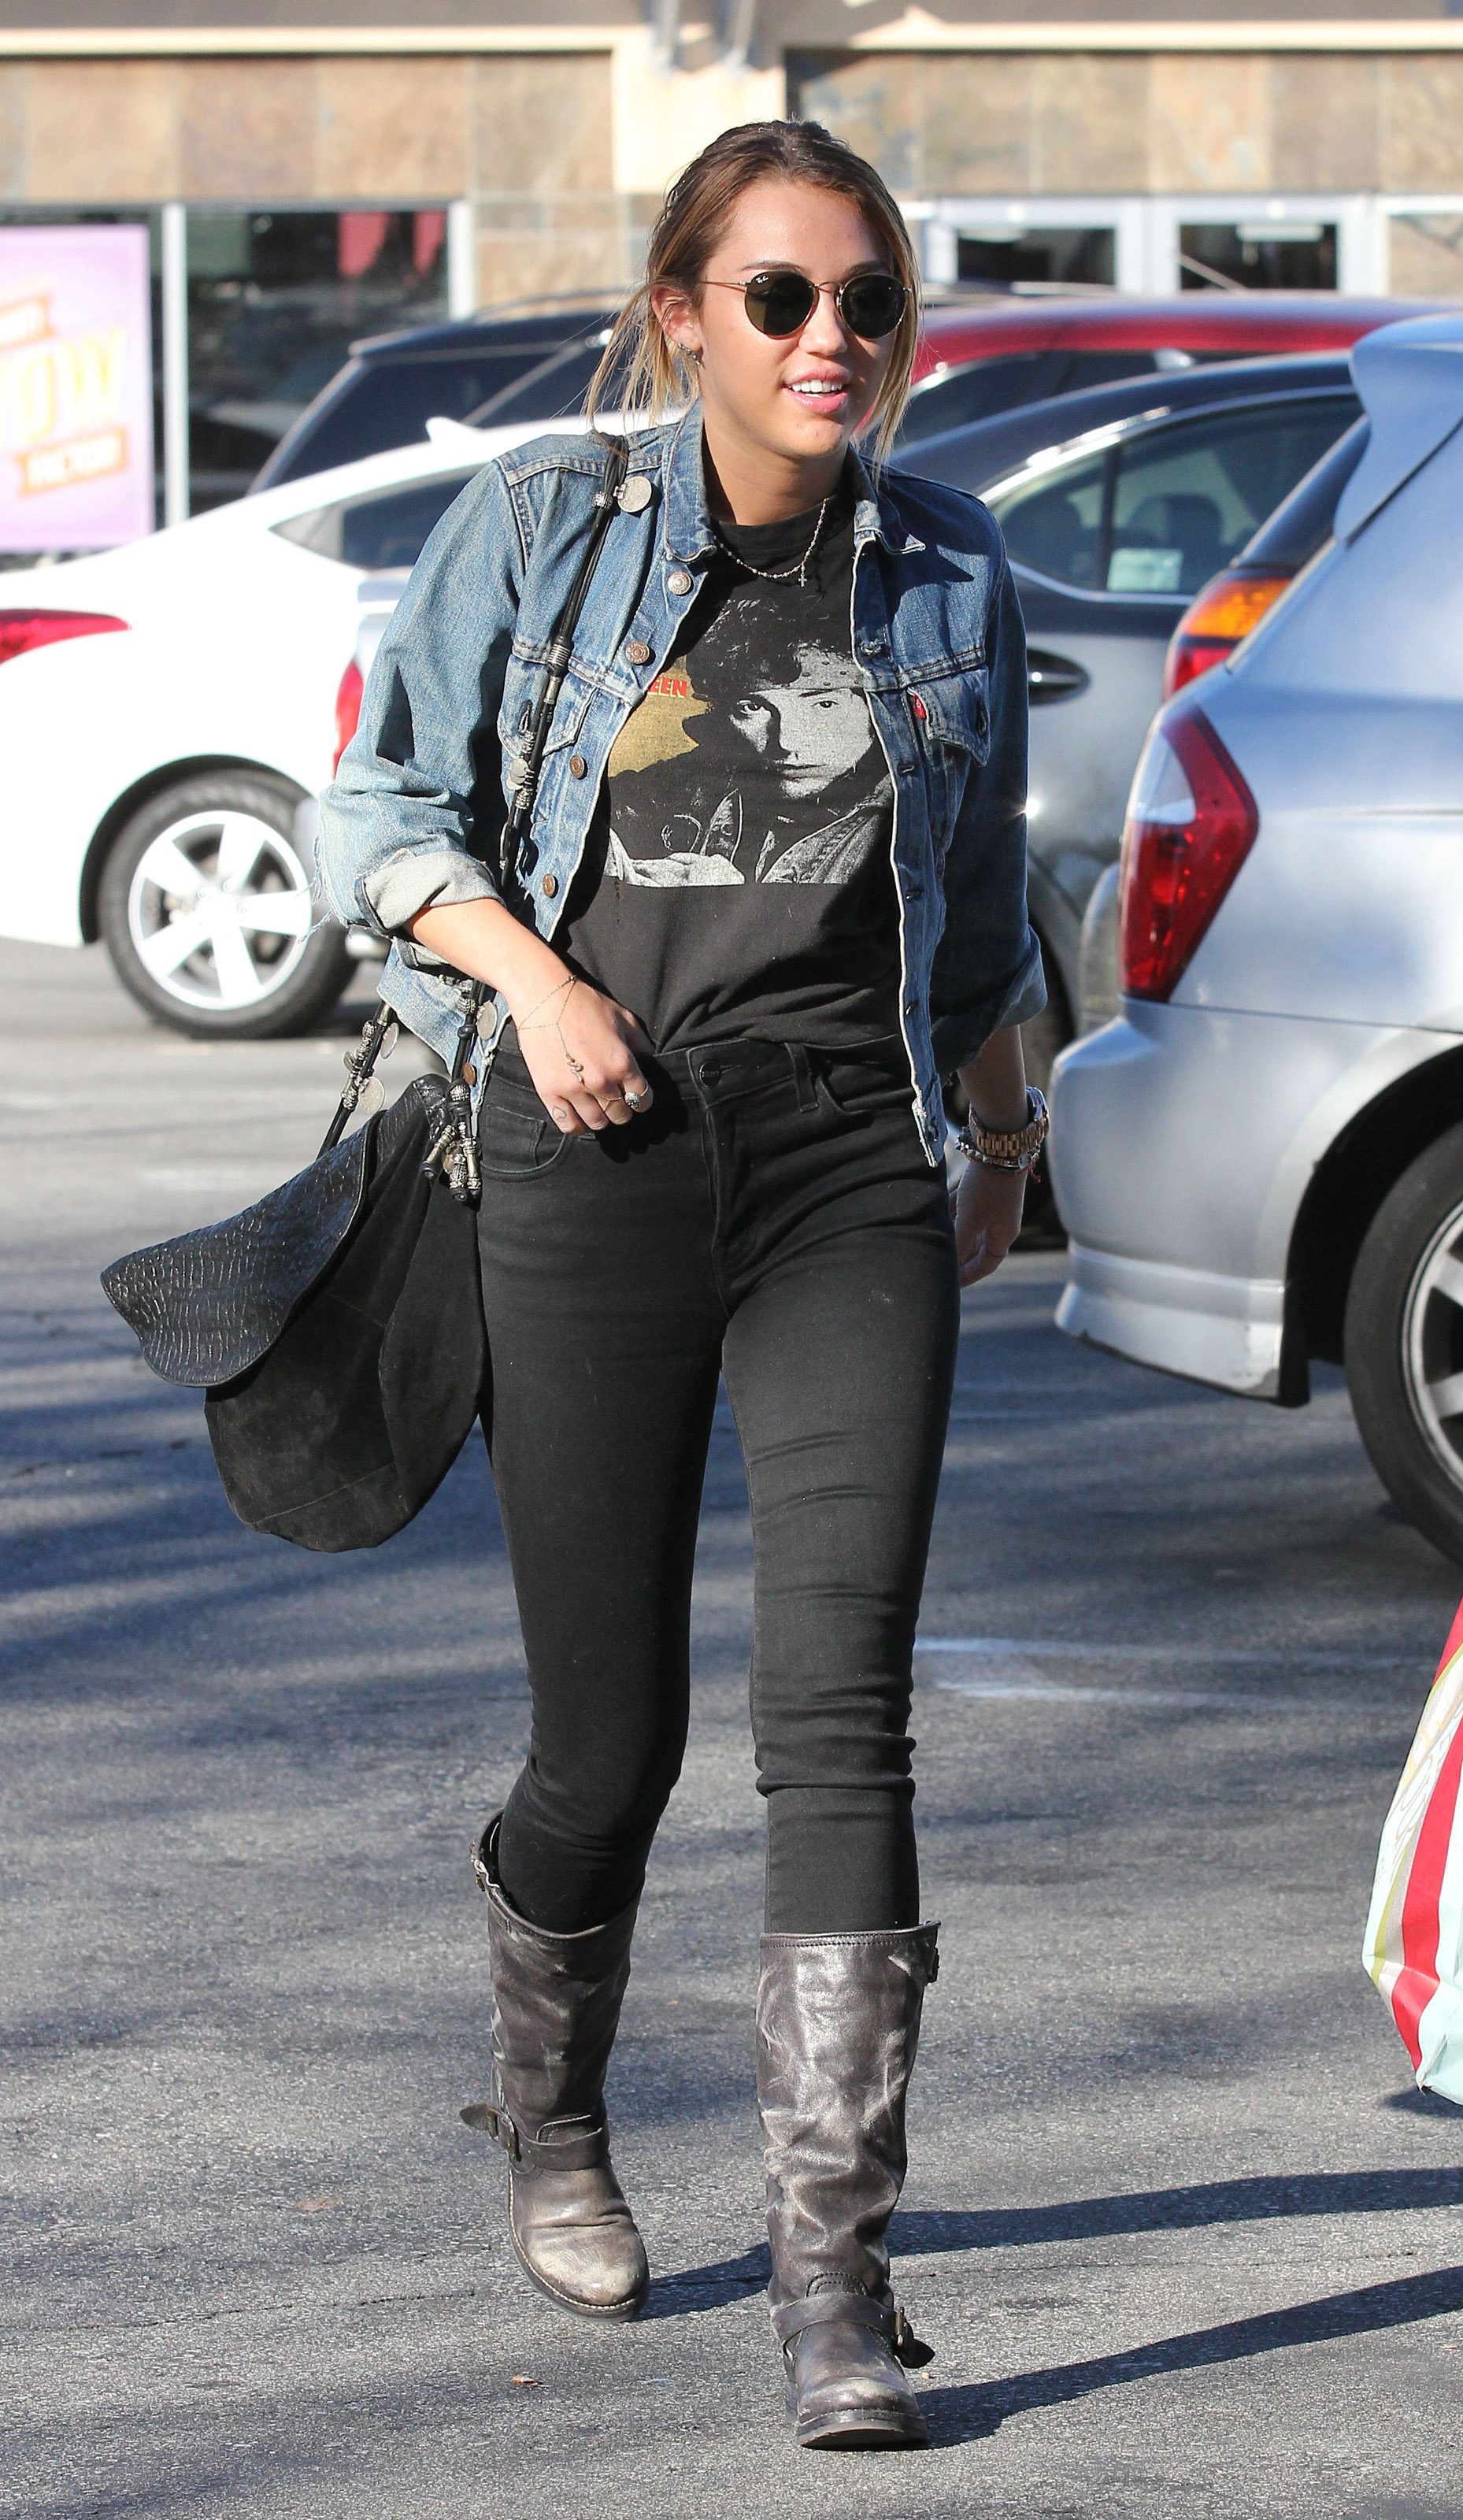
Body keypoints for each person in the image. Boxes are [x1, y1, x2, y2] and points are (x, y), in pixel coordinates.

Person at [317, 117, 1045, 2453]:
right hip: (595, 1140)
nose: (835, 340)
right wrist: (533, 985)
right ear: (682, 314)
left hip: (849, 1160)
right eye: (783, 297)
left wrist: (1005, 1128)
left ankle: (837, 2278)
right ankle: (551, 2120)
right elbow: (378, 813)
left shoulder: (946, 566)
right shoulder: (549, 524)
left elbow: (982, 890)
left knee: (842, 1711)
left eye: (870, 301)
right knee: (607, 1738)